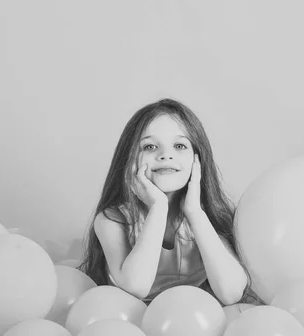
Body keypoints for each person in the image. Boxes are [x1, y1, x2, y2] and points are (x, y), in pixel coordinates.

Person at [79, 98, 262, 306]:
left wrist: (194, 212)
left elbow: (231, 294)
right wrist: (158, 208)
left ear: (198, 159)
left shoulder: (209, 217)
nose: (166, 155)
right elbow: (136, 286)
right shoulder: (112, 220)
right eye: (149, 146)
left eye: (179, 145)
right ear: (129, 160)